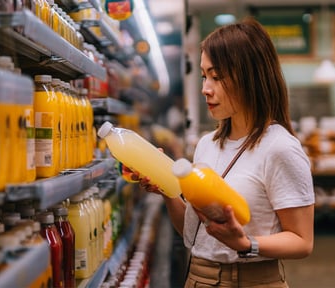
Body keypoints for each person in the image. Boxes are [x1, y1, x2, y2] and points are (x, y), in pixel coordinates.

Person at [134, 17, 315, 287]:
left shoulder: (279, 147)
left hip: (252, 280)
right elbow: (195, 232)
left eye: (216, 77)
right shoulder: (207, 144)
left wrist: (246, 244)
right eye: (204, 76)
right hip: (198, 278)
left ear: (249, 77)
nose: (205, 88)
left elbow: (302, 241)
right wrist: (168, 191)